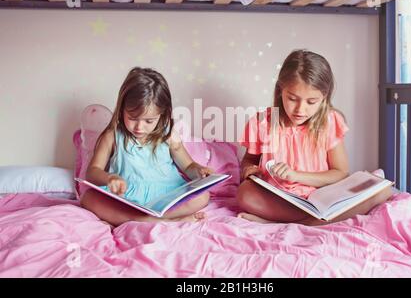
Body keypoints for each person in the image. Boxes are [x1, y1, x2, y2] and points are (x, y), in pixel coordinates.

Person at [237, 49, 392, 225]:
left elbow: (340, 173)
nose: (300, 110)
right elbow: (248, 161)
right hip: (281, 198)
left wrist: (297, 176)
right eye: (292, 99)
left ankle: (288, 223)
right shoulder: (263, 122)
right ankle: (315, 223)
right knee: (245, 192)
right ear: (281, 91)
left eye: (311, 102)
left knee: (384, 190)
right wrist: (250, 170)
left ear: (323, 97)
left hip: (322, 196)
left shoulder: (329, 121)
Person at [80, 67, 213, 226]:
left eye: (149, 121)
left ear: (162, 115)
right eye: (133, 118)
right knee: (89, 197)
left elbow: (188, 165)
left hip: (166, 195)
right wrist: (109, 178)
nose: (139, 127)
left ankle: (149, 219)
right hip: (127, 197)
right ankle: (160, 220)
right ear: (122, 108)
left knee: (203, 196)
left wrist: (199, 171)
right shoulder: (112, 136)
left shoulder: (168, 135)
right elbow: (92, 171)